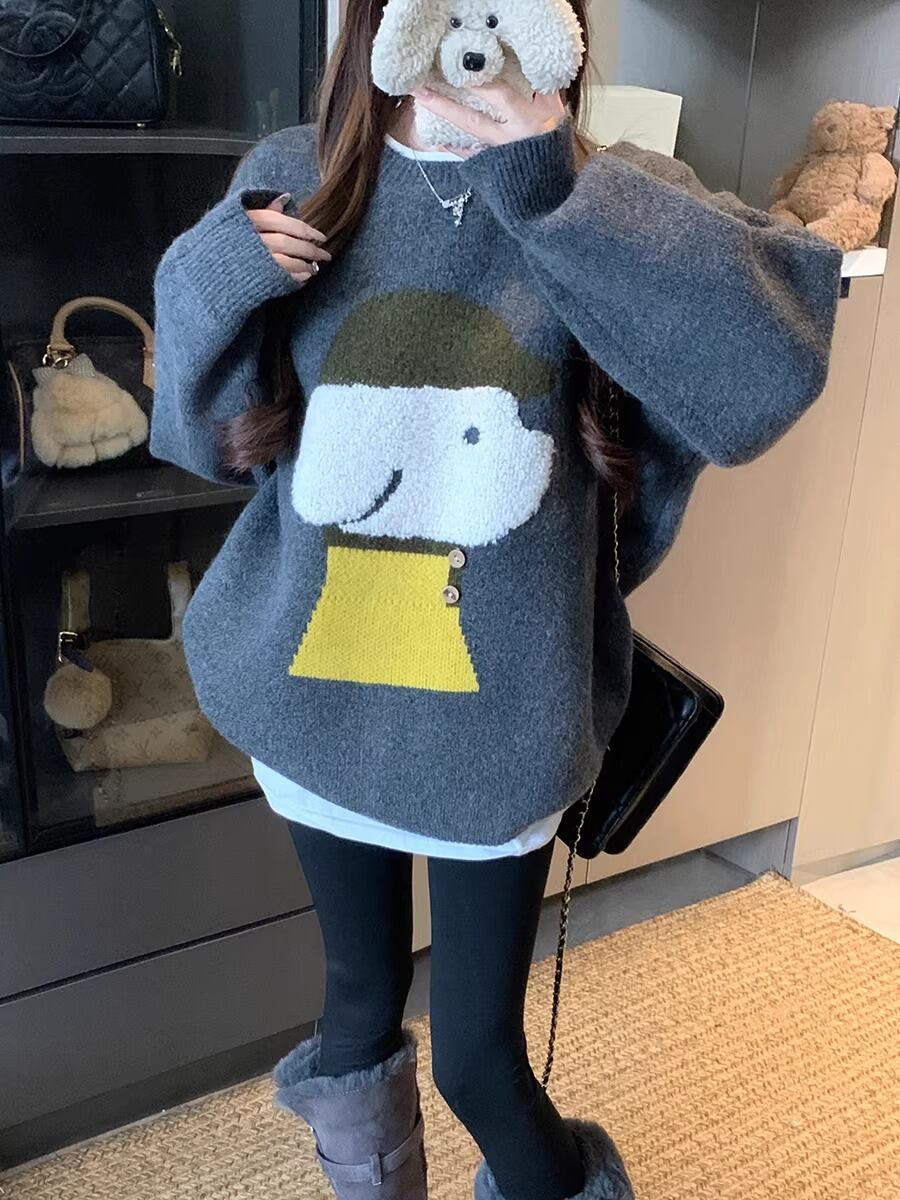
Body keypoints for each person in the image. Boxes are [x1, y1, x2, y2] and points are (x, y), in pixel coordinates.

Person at [150, 1, 843, 1196]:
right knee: (356, 1008)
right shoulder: (301, 173)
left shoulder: (608, 187)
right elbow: (199, 436)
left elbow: (766, 372)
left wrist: (552, 186)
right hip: (312, 696)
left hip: (498, 729)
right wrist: (219, 271)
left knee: (480, 1060)